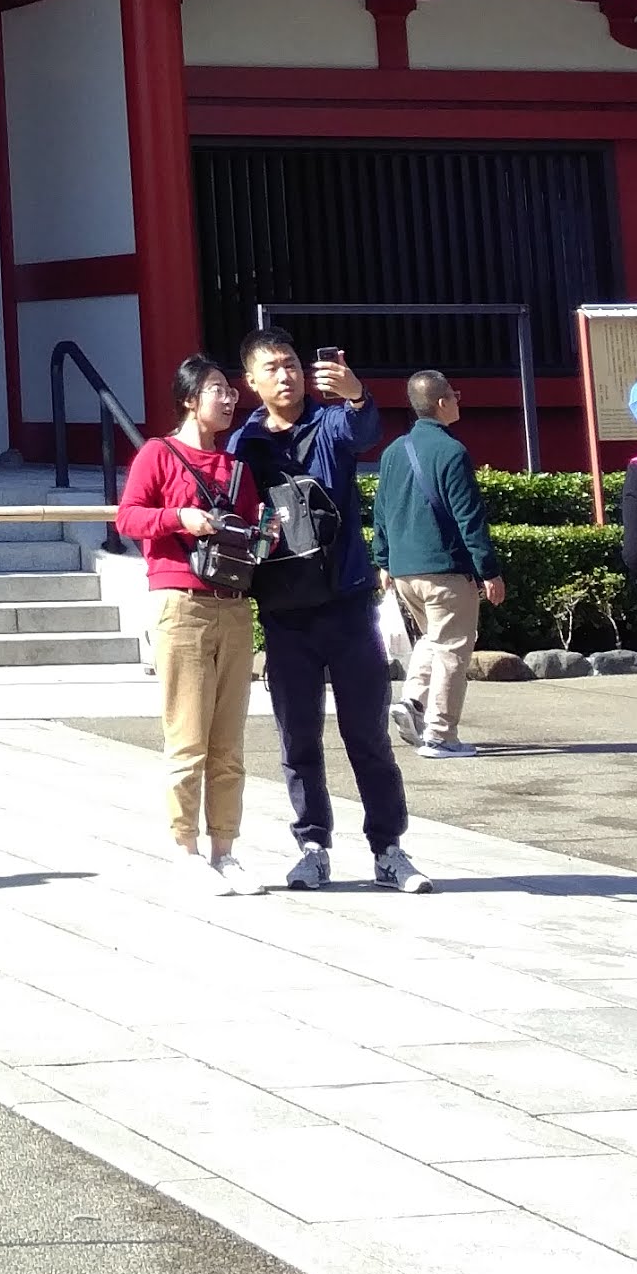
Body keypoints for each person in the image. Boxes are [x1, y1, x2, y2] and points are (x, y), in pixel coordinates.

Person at [232, 334, 421, 894]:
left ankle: (389, 850)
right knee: (298, 739)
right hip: (286, 613)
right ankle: (313, 847)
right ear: (253, 382)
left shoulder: (331, 422)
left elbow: (364, 432)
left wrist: (358, 394)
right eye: (272, 368)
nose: (285, 375)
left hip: (347, 603)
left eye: (291, 364)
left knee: (367, 734)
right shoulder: (245, 445)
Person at [115, 351, 265, 884]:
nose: (229, 399)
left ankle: (226, 848)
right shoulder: (158, 454)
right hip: (180, 605)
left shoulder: (237, 468)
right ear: (188, 399)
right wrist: (179, 517)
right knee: (187, 738)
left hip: (234, 606)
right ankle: (185, 851)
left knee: (229, 742)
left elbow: (249, 528)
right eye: (217, 390)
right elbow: (128, 516)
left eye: (230, 391)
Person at [375, 369, 506, 758]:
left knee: (433, 639)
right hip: (445, 570)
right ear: (442, 402)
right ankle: (440, 734)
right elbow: (470, 517)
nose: (458, 399)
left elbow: (381, 512)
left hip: (403, 571)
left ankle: (413, 701)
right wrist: (489, 571)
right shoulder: (452, 451)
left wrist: (382, 561)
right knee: (452, 649)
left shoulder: (393, 451)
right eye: (455, 394)